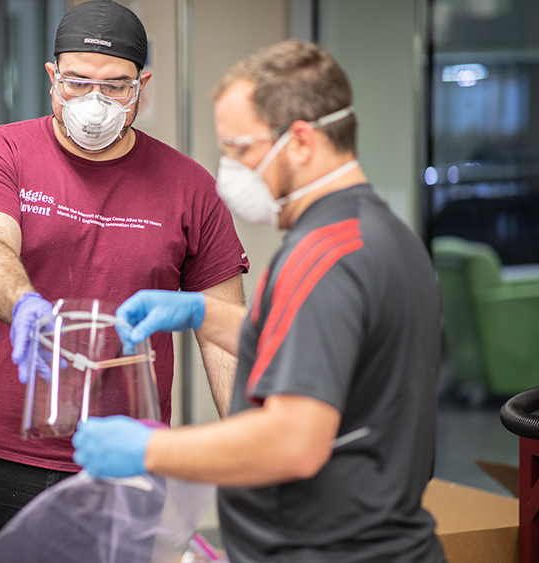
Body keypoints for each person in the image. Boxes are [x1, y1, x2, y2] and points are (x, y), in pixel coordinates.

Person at [72, 40, 447, 563]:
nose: (231, 170)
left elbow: (295, 441)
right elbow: (326, 350)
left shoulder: (325, 257)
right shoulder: (381, 234)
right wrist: (205, 315)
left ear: (298, 142)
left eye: (240, 149)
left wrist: (150, 450)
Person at [0, 1, 249, 561]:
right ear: (52, 78)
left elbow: (224, 338)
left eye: (116, 86)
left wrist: (253, 458)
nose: (96, 101)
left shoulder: (189, 187)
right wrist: (22, 301)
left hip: (125, 467)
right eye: (78, 82)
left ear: (141, 87)